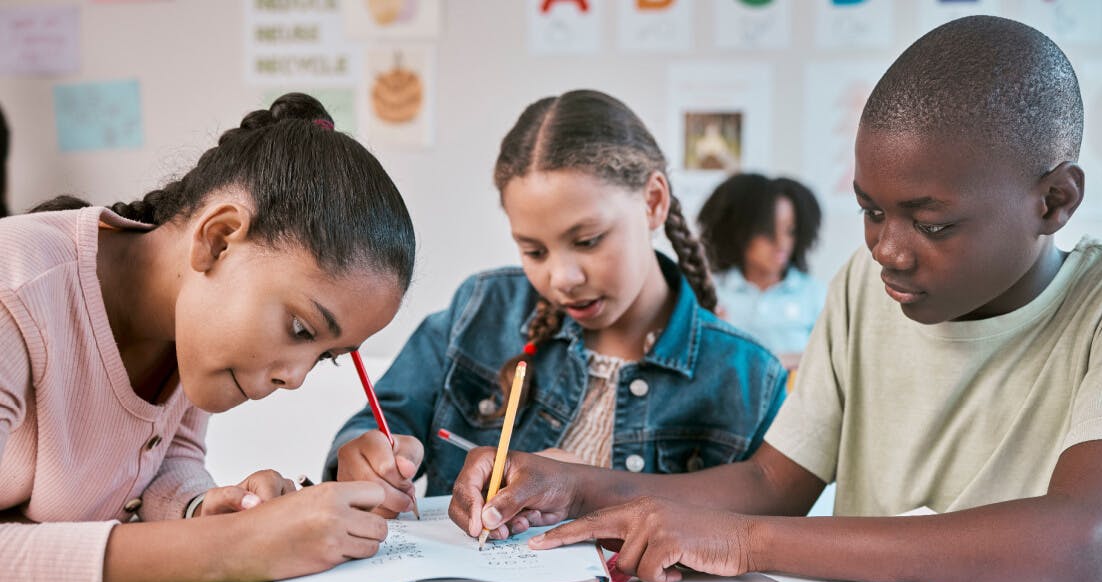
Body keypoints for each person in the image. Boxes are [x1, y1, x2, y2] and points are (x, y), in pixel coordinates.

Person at [446, 17, 1102, 582]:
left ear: (1055, 200)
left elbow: (1084, 543)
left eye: (931, 224)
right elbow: (773, 484)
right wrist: (577, 484)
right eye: (872, 212)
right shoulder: (863, 288)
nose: (890, 251)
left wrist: (746, 543)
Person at [0, 93, 416, 582]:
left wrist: (207, 509)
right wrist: (236, 546)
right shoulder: (14, 287)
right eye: (299, 327)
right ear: (218, 240)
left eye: (326, 357)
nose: (296, 378)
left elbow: (164, 461)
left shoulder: (189, 325)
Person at [325, 90, 786, 524]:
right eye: (534, 251)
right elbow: (379, 420)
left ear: (653, 202)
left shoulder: (746, 377)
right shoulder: (481, 311)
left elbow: (755, 537)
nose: (562, 278)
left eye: (587, 241)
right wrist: (363, 453)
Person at [698, 173, 824, 366]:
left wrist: (763, 363)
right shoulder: (711, 291)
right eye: (767, 232)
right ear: (740, 232)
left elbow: (833, 360)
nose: (781, 244)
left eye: (790, 231)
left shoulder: (814, 294)